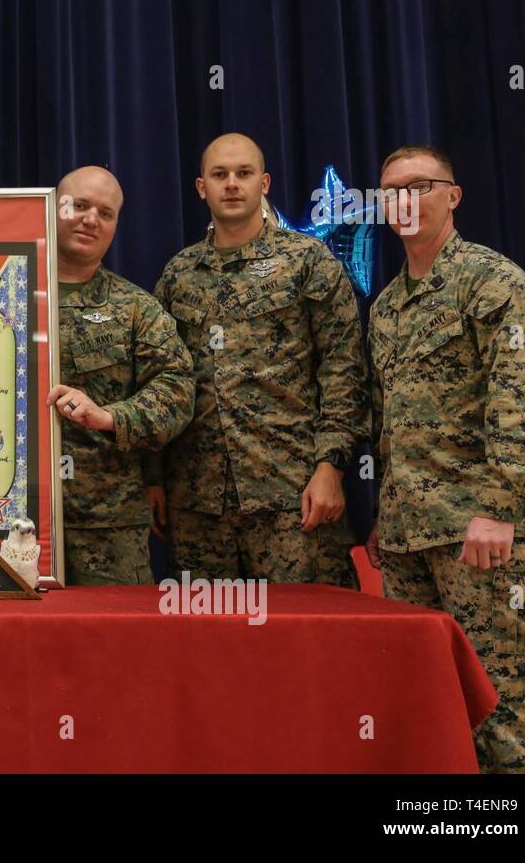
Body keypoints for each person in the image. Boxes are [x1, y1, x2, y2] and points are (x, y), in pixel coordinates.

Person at [367, 144, 525, 772]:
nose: (404, 199)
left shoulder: (493, 282)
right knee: (431, 709)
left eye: (419, 185)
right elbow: (394, 424)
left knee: (509, 712)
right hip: (409, 542)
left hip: (485, 536)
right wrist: (387, 514)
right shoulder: (386, 306)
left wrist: (498, 507)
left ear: (452, 196)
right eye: (391, 190)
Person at [145, 133, 369, 586]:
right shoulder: (178, 275)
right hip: (198, 505)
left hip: (292, 494)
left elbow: (343, 367)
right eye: (220, 174)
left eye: (244, 174)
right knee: (207, 648)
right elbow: (160, 380)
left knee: (305, 644)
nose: (232, 184)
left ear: (264, 182)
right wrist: (154, 477)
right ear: (200, 187)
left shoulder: (308, 262)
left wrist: (332, 465)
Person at [45, 166, 194, 585]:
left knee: (115, 647)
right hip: (6, 515)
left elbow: (178, 389)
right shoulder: (3, 291)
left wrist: (111, 417)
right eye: (79, 205)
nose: (91, 219)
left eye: (106, 213)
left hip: (106, 527)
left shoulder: (135, 309)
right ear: (52, 207)